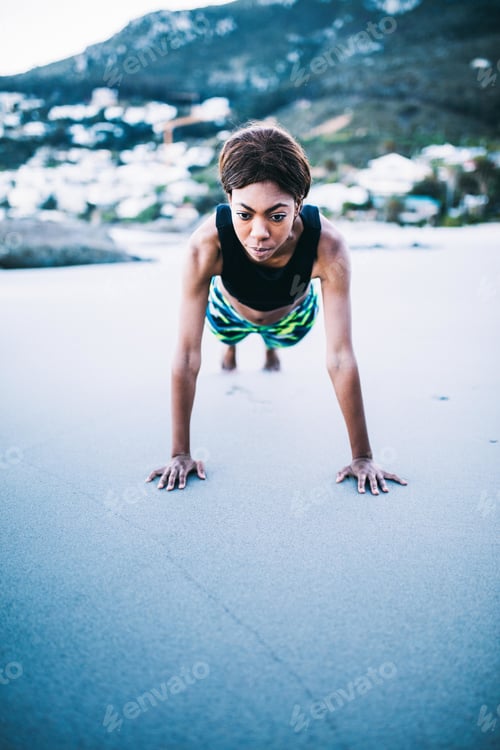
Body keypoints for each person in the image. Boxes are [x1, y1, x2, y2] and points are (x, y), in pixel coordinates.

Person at [145, 123, 408, 495]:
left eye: (277, 215)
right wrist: (180, 453)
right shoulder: (206, 246)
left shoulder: (327, 247)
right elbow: (187, 355)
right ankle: (235, 345)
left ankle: (269, 344)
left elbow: (340, 357)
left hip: (292, 318)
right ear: (229, 199)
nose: (259, 233)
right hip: (228, 314)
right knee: (229, 333)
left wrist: (362, 455)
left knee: (278, 337)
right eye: (245, 214)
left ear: (298, 205)